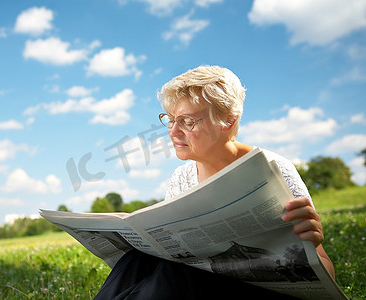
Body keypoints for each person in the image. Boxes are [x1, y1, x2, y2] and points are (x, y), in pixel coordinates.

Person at [94, 65, 335, 299]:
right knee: (136, 259)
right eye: (170, 119)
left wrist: (312, 243)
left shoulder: (272, 168)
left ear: (228, 121)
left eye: (187, 121)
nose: (173, 131)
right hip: (199, 285)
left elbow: (324, 269)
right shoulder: (181, 178)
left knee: (177, 272)